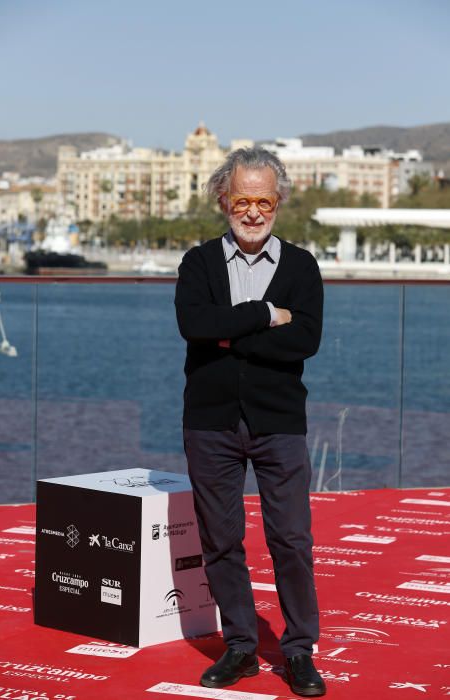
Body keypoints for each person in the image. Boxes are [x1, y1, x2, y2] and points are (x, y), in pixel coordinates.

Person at [174, 147, 326, 698]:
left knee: (291, 539)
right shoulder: (198, 264)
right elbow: (194, 325)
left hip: (280, 424)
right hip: (210, 422)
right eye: (243, 199)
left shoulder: (302, 267)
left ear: (278, 202)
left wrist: (228, 333)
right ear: (224, 200)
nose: (254, 211)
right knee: (221, 539)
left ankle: (299, 650)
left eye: (264, 200)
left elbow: (304, 341)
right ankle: (239, 646)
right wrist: (264, 315)